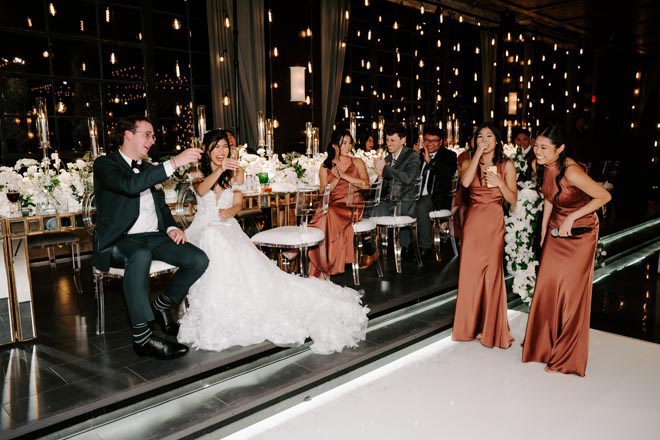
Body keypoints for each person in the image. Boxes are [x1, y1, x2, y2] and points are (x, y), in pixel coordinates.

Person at [177, 129, 369, 354]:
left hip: (226, 226)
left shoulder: (237, 171)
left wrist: (230, 210)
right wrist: (220, 169)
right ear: (207, 149)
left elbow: (239, 203)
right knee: (212, 237)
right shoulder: (197, 171)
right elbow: (201, 190)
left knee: (223, 243)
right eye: (217, 147)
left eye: (225, 147)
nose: (222, 151)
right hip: (203, 228)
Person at [92, 116, 209, 360]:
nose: (152, 140)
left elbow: (161, 209)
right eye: (147, 134)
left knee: (198, 259)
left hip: (153, 237)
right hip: (118, 241)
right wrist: (173, 163)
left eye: (153, 136)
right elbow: (130, 185)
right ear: (128, 134)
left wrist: (171, 228)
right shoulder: (105, 164)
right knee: (139, 254)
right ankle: (142, 338)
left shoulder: (148, 169)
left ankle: (163, 304)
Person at [522, 124, 611, 376]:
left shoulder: (571, 172)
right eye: (536, 146)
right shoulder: (539, 166)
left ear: (559, 149)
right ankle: (542, 346)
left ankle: (566, 356)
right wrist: (542, 231)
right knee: (547, 286)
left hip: (581, 233)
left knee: (571, 293)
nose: (537, 152)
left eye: (543, 148)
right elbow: (550, 197)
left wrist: (573, 218)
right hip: (555, 230)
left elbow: (603, 196)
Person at [452, 122, 517, 349]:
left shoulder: (506, 165)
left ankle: (490, 328)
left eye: (489, 136)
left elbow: (513, 200)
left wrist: (499, 182)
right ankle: (468, 327)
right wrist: (478, 152)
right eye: (481, 137)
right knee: (470, 272)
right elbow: (466, 183)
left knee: (491, 273)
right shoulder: (469, 162)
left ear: (497, 140)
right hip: (473, 221)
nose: (485, 140)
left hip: (493, 221)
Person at [308, 130, 369, 279]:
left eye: (350, 143)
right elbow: (324, 192)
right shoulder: (325, 166)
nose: (348, 147)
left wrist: (345, 176)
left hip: (352, 204)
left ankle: (319, 268)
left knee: (326, 215)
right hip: (332, 204)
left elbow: (366, 185)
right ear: (335, 146)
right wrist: (335, 178)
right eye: (344, 143)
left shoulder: (357, 162)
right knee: (325, 215)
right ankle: (322, 267)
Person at [372, 124, 421, 252]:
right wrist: (380, 176)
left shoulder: (412, 155)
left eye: (392, 140)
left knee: (372, 211)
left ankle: (375, 249)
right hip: (389, 201)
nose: (389, 144)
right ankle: (372, 249)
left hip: (405, 202)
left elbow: (408, 178)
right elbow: (383, 188)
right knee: (363, 210)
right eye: (387, 140)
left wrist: (385, 169)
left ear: (403, 140)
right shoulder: (388, 158)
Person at [415, 126, 457, 258]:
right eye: (427, 140)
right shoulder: (418, 154)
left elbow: (448, 172)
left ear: (441, 142)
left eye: (433, 141)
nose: (429, 144)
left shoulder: (449, 155)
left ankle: (425, 246)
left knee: (421, 205)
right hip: (416, 194)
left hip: (437, 197)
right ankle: (407, 244)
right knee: (405, 204)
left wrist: (430, 162)